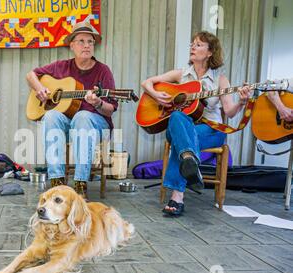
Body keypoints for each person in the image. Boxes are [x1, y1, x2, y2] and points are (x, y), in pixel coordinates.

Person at [141, 31, 252, 216]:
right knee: (177, 117)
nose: (193, 47)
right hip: (180, 127)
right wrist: (156, 95)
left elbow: (230, 112)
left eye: (199, 44)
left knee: (182, 144)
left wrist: (241, 102)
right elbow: (147, 83)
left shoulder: (220, 80)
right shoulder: (181, 74)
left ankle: (177, 196)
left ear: (210, 52)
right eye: (192, 44)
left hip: (211, 130)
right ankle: (190, 162)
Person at [26, 21, 118, 198]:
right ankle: (57, 184)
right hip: (68, 126)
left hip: (95, 127)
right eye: (82, 41)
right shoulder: (61, 66)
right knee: (51, 115)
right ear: (72, 45)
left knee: (83, 116)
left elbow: (110, 109)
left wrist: (98, 103)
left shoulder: (103, 71)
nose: (87, 45)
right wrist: (40, 89)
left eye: (90, 42)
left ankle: (80, 185)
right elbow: (31, 75)